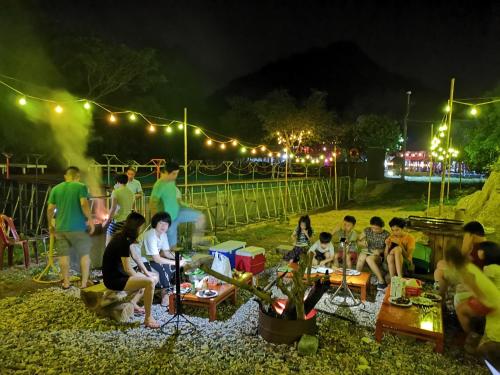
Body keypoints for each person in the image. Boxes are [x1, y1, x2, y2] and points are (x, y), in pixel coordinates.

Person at [102, 212, 160, 329]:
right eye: (142, 226)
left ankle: (133, 303)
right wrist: (145, 279)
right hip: (114, 279)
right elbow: (128, 269)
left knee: (154, 276)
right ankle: (148, 318)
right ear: (137, 227)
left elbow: (136, 257)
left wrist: (147, 273)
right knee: (149, 282)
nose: (142, 229)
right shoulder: (122, 241)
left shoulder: (125, 237)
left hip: (120, 274)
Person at [445, 245, 500, 356]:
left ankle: (471, 338)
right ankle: (471, 336)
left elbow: (477, 291)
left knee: (461, 310)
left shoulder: (465, 272)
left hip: (490, 303)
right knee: (461, 304)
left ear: (450, 261)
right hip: (492, 299)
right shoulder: (466, 265)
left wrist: (481, 304)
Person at [47, 166, 95, 289]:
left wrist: (50, 224)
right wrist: (90, 220)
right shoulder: (81, 186)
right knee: (84, 255)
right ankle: (84, 283)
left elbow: (50, 209)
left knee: (63, 256)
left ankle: (66, 283)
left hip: (61, 228)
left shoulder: (56, 189)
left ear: (66, 176)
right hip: (78, 228)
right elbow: (84, 203)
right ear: (77, 177)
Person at [149, 161, 205, 248]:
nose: (176, 176)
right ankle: (168, 255)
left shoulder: (171, 181)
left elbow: (173, 199)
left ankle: (195, 244)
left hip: (178, 212)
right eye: (174, 174)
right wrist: (156, 222)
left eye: (177, 173)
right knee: (172, 248)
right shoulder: (159, 185)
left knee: (200, 217)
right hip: (168, 219)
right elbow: (153, 203)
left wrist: (186, 205)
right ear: (167, 173)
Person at [143, 212, 186, 307]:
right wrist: (176, 262)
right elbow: (157, 258)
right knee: (164, 266)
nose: (164, 226)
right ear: (155, 223)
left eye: (166, 224)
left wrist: (179, 258)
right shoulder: (151, 235)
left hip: (150, 260)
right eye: (161, 223)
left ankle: (167, 291)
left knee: (172, 265)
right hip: (141, 262)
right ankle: (165, 295)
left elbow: (166, 252)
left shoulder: (163, 235)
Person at [434, 221, 487, 297]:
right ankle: (443, 293)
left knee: (438, 272)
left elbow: (462, 255)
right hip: (471, 272)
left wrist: (466, 244)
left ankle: (439, 296)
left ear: (471, 235)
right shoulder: (484, 245)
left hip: (471, 277)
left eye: (466, 235)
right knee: (441, 263)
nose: (464, 237)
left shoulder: (478, 248)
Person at [356, 216, 390, 290]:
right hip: (367, 251)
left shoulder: (386, 234)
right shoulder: (367, 230)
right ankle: (357, 277)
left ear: (382, 227)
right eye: (372, 228)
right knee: (362, 256)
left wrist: (380, 251)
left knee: (369, 259)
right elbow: (358, 240)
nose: (374, 230)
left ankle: (381, 282)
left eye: (376, 229)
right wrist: (362, 243)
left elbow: (388, 248)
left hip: (378, 255)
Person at [104, 174, 134, 246]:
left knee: (108, 244)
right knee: (123, 244)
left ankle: (109, 256)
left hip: (118, 221)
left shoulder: (116, 192)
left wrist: (107, 220)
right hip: (127, 221)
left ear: (117, 182)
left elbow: (113, 208)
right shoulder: (131, 192)